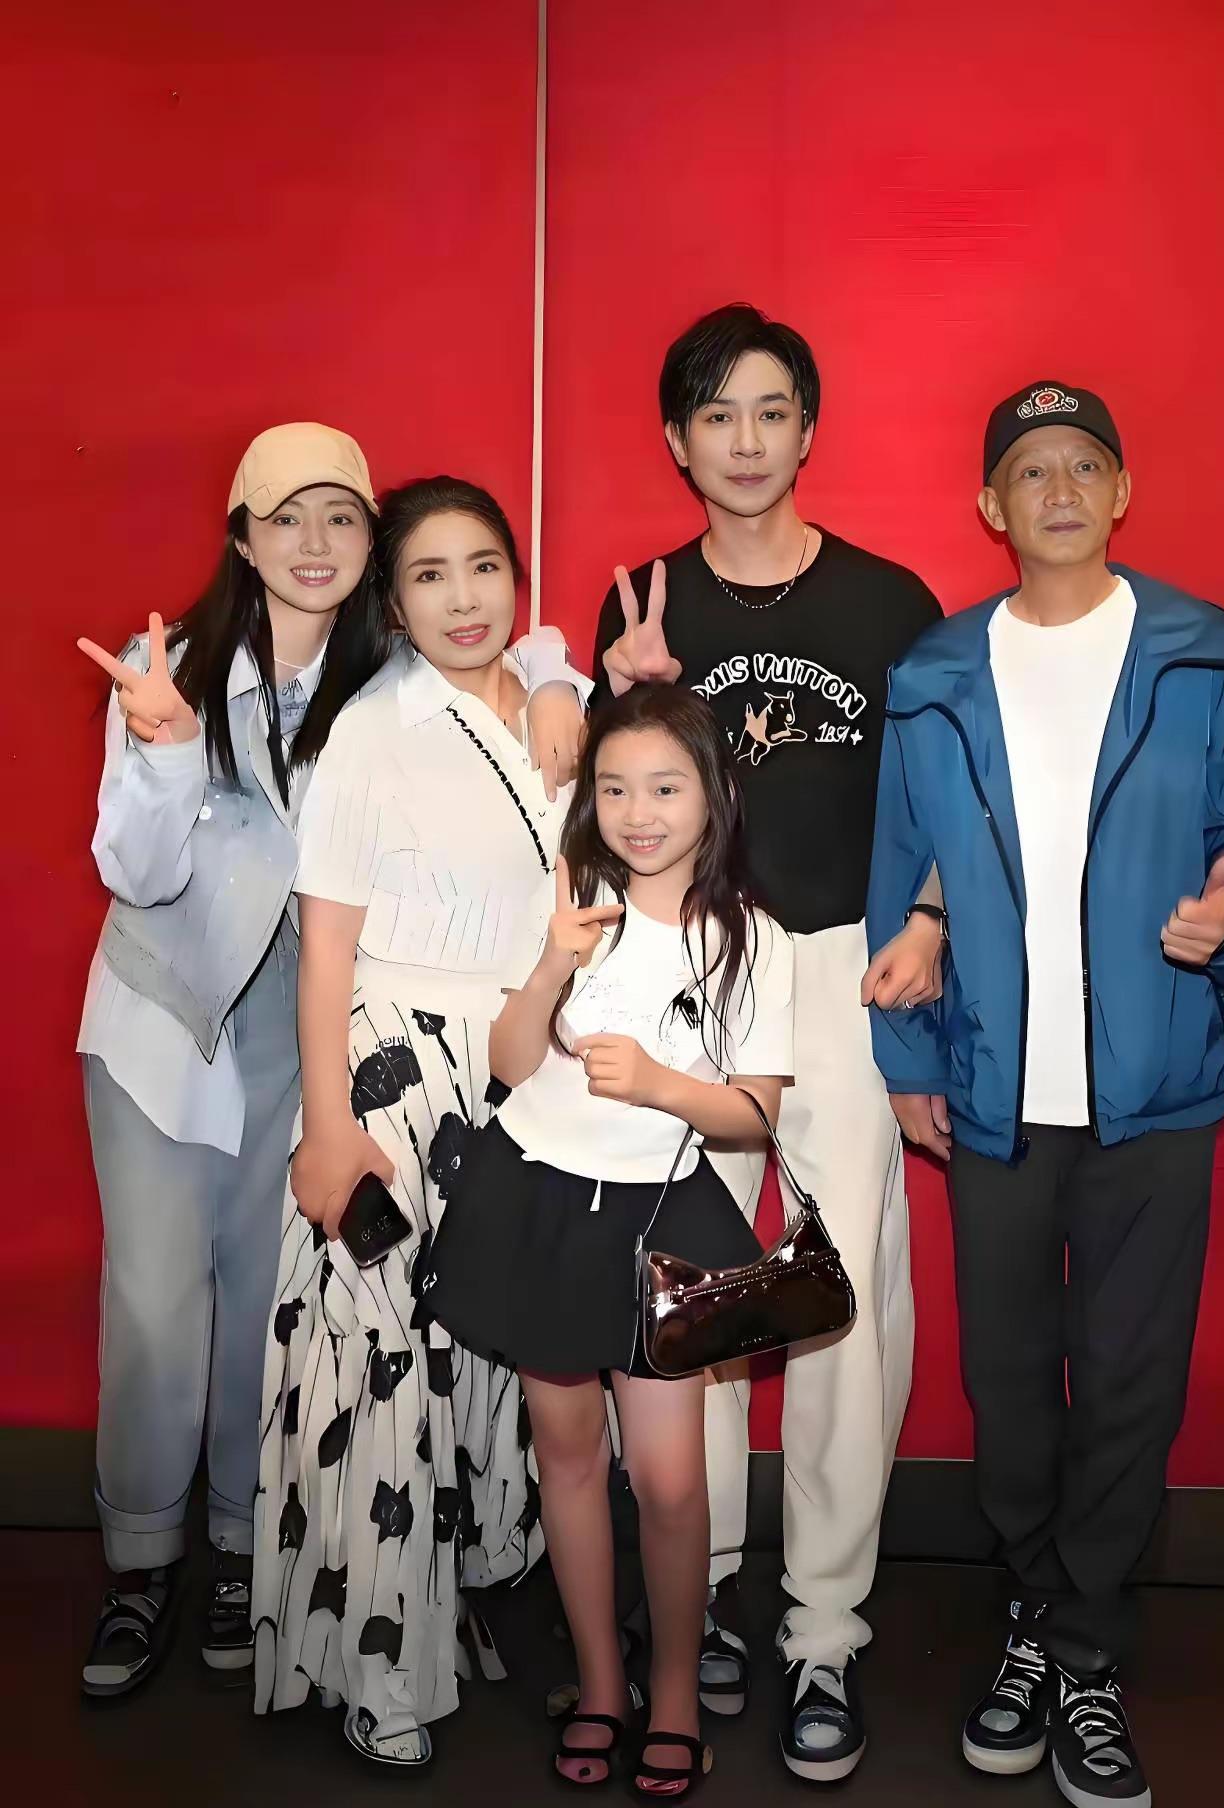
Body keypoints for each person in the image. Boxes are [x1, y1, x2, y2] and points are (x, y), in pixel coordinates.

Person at [865, 382, 1224, 1808]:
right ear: (990, 505)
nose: (1057, 489)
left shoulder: (1199, 649)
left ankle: (1087, 1652)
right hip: (995, 1090)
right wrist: (910, 1059)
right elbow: (901, 871)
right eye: (1029, 470)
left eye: (1083, 466)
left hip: (1156, 1091)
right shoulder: (936, 670)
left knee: (1128, 1380)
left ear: (1121, 492)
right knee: (1009, 1383)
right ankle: (1034, 1612)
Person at [530, 304, 944, 1780]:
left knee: (839, 1292)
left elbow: (944, 798)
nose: (747, 441)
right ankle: (692, 1593)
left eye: (772, 411)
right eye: (717, 415)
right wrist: (623, 689)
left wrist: (932, 927)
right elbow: (600, 804)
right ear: (677, 439)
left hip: (838, 963)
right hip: (688, 964)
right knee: (687, 1284)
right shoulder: (645, 603)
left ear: (809, 427)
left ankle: (824, 1625)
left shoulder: (892, 603)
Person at [251, 475, 590, 1766]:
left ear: (518, 577)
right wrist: (327, 1126)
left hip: (525, 1072)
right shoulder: (372, 728)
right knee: (380, 1367)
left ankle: (482, 1599)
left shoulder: (553, 702)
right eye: (430, 576)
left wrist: (553, 676)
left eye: (484, 566)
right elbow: (323, 949)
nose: (463, 599)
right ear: (392, 603)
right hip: (395, 1069)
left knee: (494, 1362)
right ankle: (376, 1670)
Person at [427, 684, 795, 1797]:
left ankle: (673, 1689)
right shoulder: (573, 897)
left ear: (714, 795)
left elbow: (754, 1114)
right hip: (541, 1203)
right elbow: (507, 1061)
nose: (640, 813)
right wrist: (552, 962)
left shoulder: (752, 938)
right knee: (569, 1455)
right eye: (617, 788)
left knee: (672, 1483)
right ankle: (601, 1686)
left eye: (666, 788)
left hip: (660, 1221)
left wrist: (661, 1082)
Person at [75, 423, 390, 1696]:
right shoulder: (175, 670)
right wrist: (161, 749)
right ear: (242, 539)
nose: (314, 542)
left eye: (341, 516)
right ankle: (141, 1565)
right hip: (162, 1026)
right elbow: (134, 870)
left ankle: (242, 1546)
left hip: (305, 1038)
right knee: (156, 1304)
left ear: (371, 539)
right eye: (285, 516)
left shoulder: (393, 681)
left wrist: (547, 681)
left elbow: (512, 669)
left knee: (272, 1303)